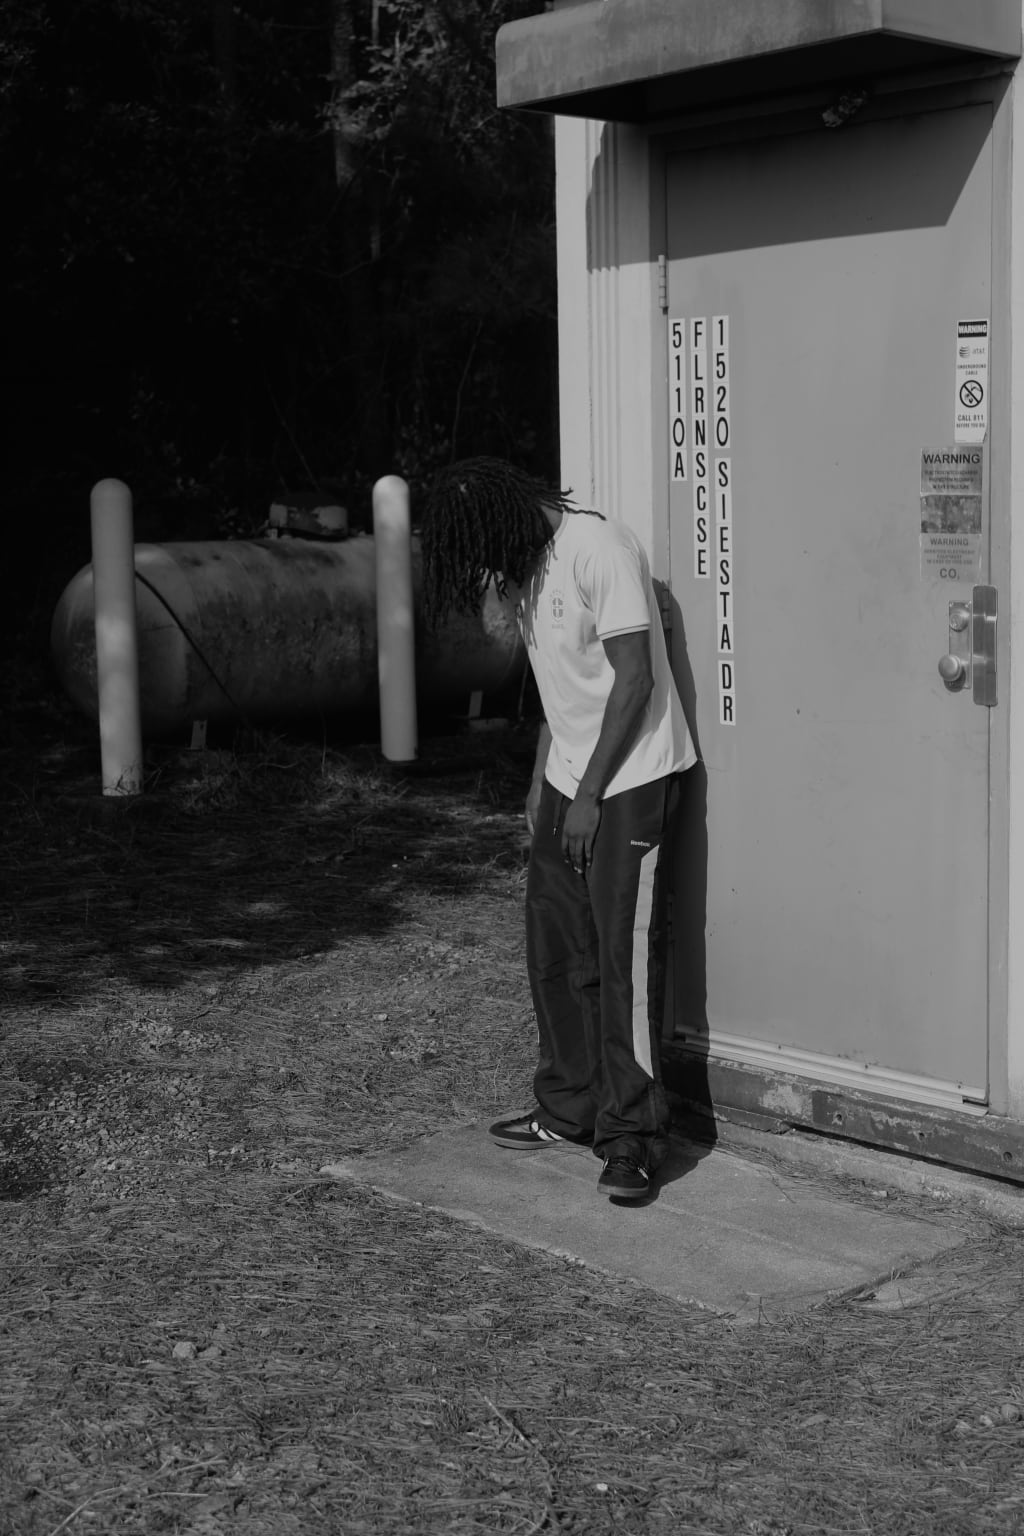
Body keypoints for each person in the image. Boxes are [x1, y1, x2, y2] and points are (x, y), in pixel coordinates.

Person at [421, 459, 697, 1201]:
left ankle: (634, 1137)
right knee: (555, 947)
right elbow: (559, 690)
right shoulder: (527, 564)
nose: (486, 571)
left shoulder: (597, 548)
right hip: (570, 780)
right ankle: (569, 1107)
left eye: (483, 552)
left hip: (631, 778)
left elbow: (634, 680)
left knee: (621, 959)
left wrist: (590, 795)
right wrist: (544, 781)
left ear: (507, 521)